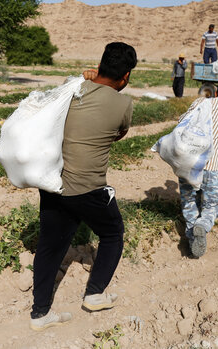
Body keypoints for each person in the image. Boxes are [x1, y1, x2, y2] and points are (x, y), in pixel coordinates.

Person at [30, 42, 137, 331]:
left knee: (50, 247)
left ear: (100, 64)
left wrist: (86, 77)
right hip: (88, 187)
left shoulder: (71, 86)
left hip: (52, 182)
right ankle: (94, 294)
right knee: (113, 232)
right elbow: (118, 133)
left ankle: (40, 314)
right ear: (125, 76)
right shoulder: (123, 104)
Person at [177, 81, 218, 258]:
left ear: (215, 93)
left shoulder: (201, 103)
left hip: (189, 164)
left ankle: (193, 239)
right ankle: (204, 224)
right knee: (211, 205)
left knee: (189, 201)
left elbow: (181, 122)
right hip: (212, 167)